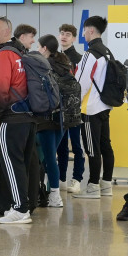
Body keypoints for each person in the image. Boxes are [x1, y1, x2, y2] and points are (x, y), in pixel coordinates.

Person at [0, 16, 38, 224]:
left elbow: (0, 89)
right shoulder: (20, 53)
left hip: (11, 117)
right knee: (20, 164)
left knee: (11, 163)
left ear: (7, 32)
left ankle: (19, 208)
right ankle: (21, 205)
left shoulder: (4, 55)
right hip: (27, 116)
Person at [73, 16, 117, 199]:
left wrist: (74, 103)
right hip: (105, 106)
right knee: (105, 145)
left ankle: (92, 186)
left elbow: (80, 83)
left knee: (92, 148)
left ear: (90, 30)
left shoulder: (90, 54)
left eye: (84, 30)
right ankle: (106, 184)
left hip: (90, 108)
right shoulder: (107, 52)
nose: (83, 34)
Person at [36, 34, 79, 208]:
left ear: (45, 48)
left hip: (47, 117)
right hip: (64, 119)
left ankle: (53, 195)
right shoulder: (65, 62)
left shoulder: (44, 65)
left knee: (47, 157)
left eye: (39, 46)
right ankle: (49, 191)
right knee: (50, 156)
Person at [56, 23, 85, 194]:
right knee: (60, 146)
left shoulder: (79, 59)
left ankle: (77, 179)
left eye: (68, 34)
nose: (64, 36)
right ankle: (61, 178)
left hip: (74, 108)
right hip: (59, 108)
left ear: (74, 38)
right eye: (62, 33)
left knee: (76, 144)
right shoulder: (54, 57)